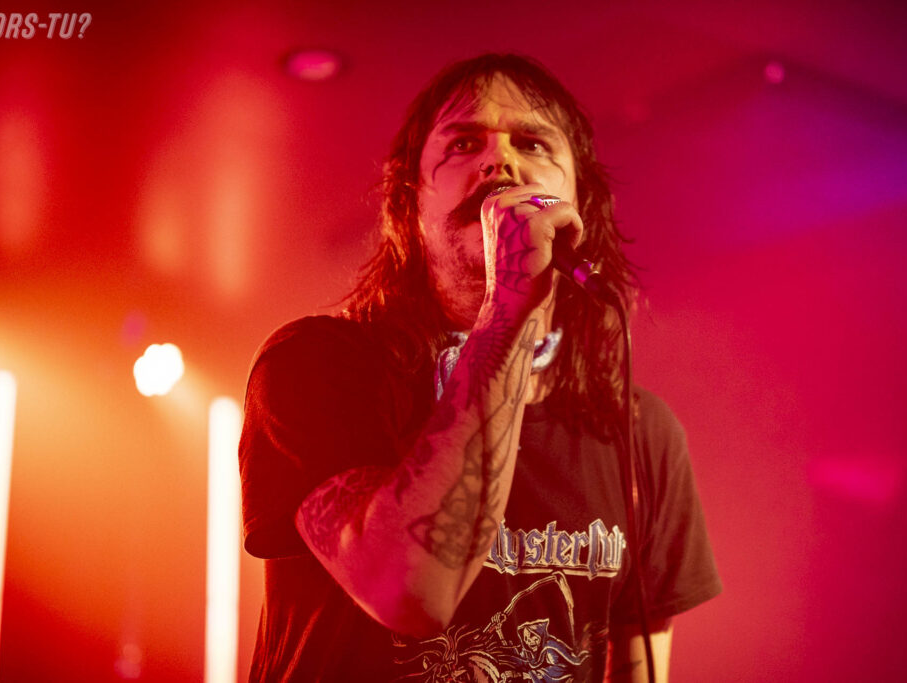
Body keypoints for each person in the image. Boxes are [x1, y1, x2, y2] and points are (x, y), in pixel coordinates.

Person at [239, 53, 721, 682]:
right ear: (412, 202)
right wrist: (510, 309)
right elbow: (411, 593)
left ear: (580, 202)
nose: (501, 163)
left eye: (533, 143)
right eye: (465, 143)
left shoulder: (641, 433)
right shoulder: (315, 365)